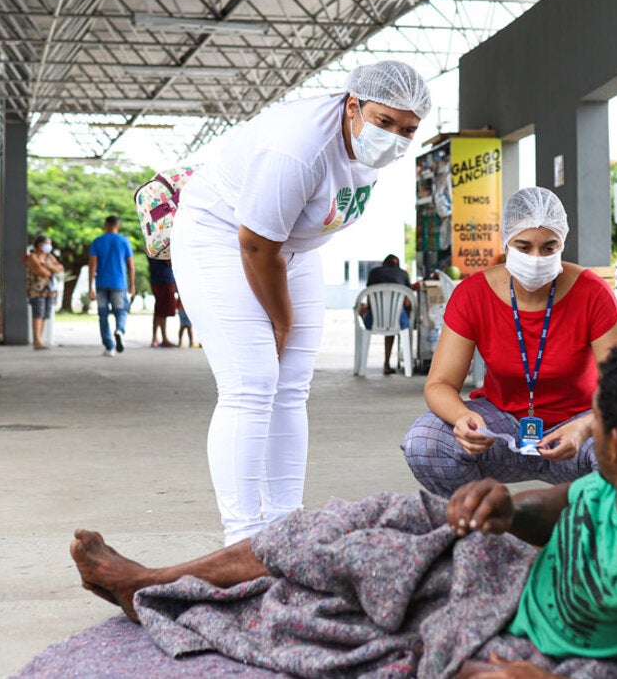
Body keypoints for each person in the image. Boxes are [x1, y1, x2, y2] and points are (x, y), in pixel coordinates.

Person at [69, 339, 617, 677]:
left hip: (525, 643)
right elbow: (564, 503)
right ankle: (149, 584)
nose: (590, 430)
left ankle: (156, 591)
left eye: (596, 421)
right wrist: (507, 507)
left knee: (330, 611)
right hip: (499, 569)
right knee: (335, 529)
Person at [170, 60, 431, 544]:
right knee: (252, 382)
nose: (396, 137)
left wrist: (285, 316)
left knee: (291, 386)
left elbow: (288, 235)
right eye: (385, 122)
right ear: (353, 106)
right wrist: (280, 318)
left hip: (290, 245)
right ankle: (244, 539)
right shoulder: (299, 148)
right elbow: (255, 244)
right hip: (224, 235)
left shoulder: (367, 152)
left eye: (408, 130)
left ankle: (287, 527)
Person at [401, 187, 617, 497]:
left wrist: (586, 426)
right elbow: (439, 384)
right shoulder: (473, 294)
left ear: (563, 242)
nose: (536, 258)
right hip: (501, 431)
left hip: (577, 430)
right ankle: (483, 525)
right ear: (506, 241)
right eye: (524, 246)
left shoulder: (592, 293)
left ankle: (591, 531)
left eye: (550, 247)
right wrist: (463, 418)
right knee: (425, 442)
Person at [88, 216, 135, 357]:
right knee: (120, 311)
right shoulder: (124, 241)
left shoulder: (97, 242)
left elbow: (92, 266)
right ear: (117, 225)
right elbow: (131, 266)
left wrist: (90, 286)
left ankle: (109, 347)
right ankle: (119, 330)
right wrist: (132, 285)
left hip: (101, 283)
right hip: (119, 283)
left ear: (105, 225)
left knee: (103, 315)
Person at [358, 253, 412, 374]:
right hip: (397, 321)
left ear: (383, 264)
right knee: (393, 319)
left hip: (373, 321)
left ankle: (362, 362)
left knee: (361, 308)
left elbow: (369, 301)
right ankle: (387, 364)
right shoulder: (403, 274)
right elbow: (407, 303)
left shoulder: (374, 272)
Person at [24, 234, 64, 350]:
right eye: (47, 243)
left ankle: (39, 340)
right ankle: (36, 340)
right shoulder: (32, 256)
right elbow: (42, 271)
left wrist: (47, 266)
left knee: (45, 315)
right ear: (40, 245)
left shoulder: (49, 257)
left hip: (49, 290)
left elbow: (59, 268)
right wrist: (51, 268)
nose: (49, 246)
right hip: (37, 290)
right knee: (38, 314)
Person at [147, 256, 178, 348]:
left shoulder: (151, 245)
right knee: (162, 311)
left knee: (159, 309)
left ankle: (156, 337)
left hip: (156, 279)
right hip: (165, 279)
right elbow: (169, 262)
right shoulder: (163, 245)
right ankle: (162, 338)